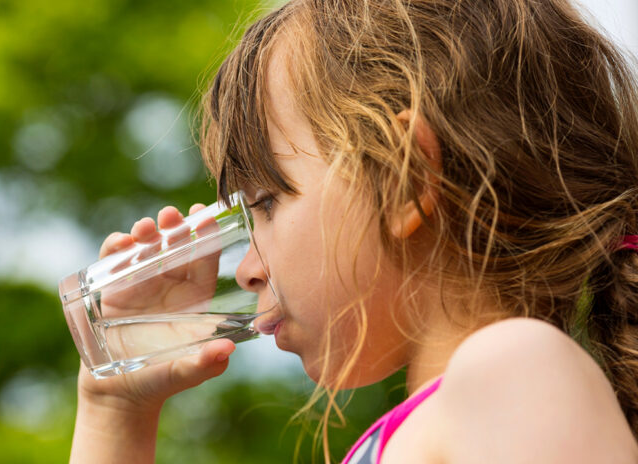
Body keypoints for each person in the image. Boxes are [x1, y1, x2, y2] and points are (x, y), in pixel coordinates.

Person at [69, 0, 638, 462]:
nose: (244, 269)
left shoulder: (512, 369)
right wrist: (116, 412)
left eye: (264, 202)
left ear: (403, 180)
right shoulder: (451, 414)